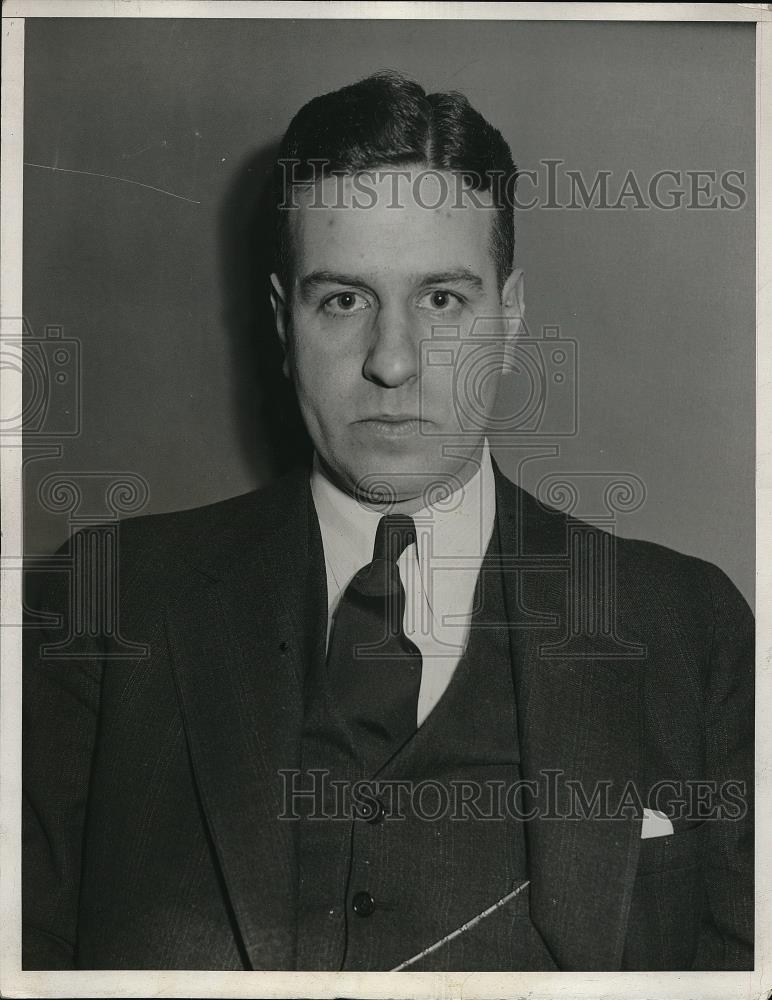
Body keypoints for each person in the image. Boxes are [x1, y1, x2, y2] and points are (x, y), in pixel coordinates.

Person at [23, 71, 753, 972]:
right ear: (283, 325)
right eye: (343, 300)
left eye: (441, 299)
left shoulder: (690, 627)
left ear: (509, 317)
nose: (393, 361)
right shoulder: (103, 607)